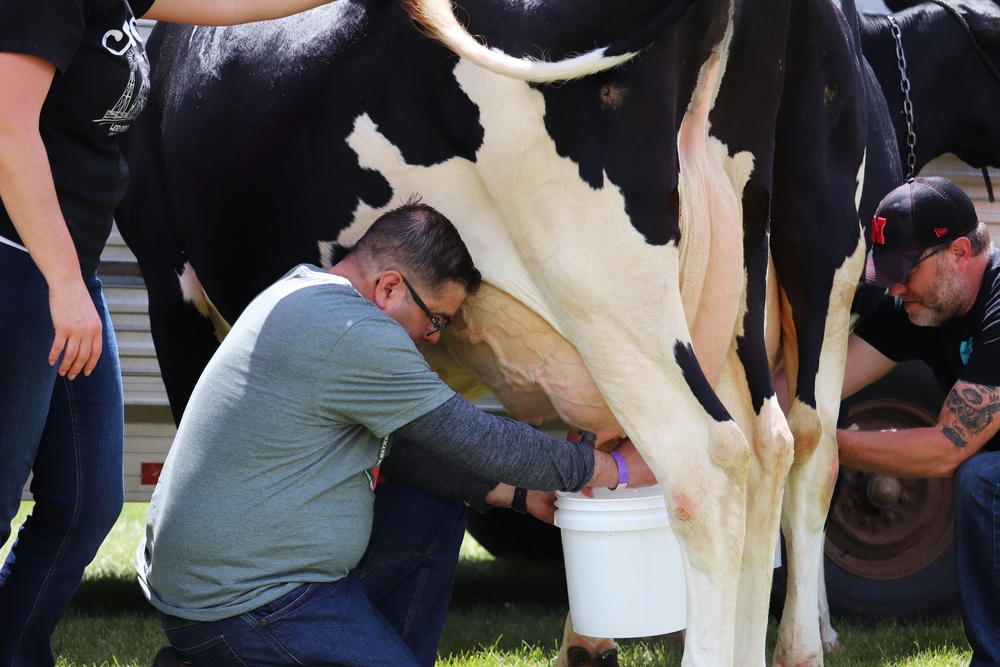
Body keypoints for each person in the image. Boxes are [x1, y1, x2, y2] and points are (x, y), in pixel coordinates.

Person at [135, 200, 653, 667]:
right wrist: (617, 469)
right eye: (436, 321)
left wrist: (518, 495)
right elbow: (475, 437)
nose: (432, 338)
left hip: (241, 583)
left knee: (434, 500)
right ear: (388, 288)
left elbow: (405, 453)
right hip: (244, 604)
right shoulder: (355, 334)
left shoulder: (305, 291)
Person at [0, 2, 358, 665]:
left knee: (86, 499)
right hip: (22, 265)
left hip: (61, 272)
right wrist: (62, 283)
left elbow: (232, 5)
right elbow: (5, 127)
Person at [837, 176, 1000, 666]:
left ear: (959, 252)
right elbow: (817, 386)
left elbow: (945, 447)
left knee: (982, 479)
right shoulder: (919, 306)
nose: (894, 285)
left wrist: (819, 442)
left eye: (906, 270)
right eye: (886, 272)